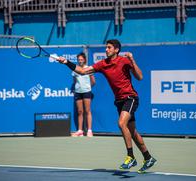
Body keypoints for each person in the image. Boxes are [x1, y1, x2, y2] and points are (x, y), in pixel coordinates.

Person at [57, 39, 156, 173]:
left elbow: (140, 77)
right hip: (119, 101)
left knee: (121, 124)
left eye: (109, 47)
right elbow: (82, 71)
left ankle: (131, 156)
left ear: (116, 50)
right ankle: (148, 157)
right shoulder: (103, 64)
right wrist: (66, 62)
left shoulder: (124, 61)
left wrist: (132, 61)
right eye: (106, 47)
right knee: (132, 132)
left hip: (130, 98)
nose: (106, 49)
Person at [71, 53, 95, 137]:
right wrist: (77, 88)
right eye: (79, 60)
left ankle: (89, 130)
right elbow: (74, 81)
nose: (80, 61)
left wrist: (87, 88)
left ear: (84, 60)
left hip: (86, 92)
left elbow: (93, 81)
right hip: (78, 92)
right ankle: (80, 131)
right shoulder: (74, 70)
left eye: (81, 59)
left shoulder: (88, 69)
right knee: (80, 111)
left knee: (87, 111)